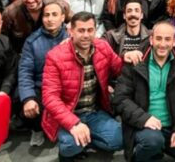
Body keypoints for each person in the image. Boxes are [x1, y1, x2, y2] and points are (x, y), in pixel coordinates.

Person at [113, 21, 175, 162]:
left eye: (167, 39)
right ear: (151, 40)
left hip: (172, 126)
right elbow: (120, 99)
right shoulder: (135, 63)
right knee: (153, 142)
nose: (162, 44)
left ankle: (161, 148)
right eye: (158, 38)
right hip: (144, 126)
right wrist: (144, 119)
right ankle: (142, 154)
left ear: (174, 42)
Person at [42, 11, 123, 161]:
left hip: (94, 111)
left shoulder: (103, 47)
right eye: (81, 30)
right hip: (69, 113)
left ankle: (86, 138)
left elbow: (120, 70)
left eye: (90, 30)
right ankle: (73, 145)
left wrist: (128, 58)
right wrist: (73, 124)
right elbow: (50, 97)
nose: (86, 35)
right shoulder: (55, 56)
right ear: (71, 31)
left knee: (119, 140)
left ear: (95, 30)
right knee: (71, 146)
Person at [18, 0, 69, 147]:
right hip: (43, 86)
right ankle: (37, 129)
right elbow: (25, 71)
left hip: (67, 86)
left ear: (63, 17)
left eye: (54, 14)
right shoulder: (32, 41)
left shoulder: (72, 36)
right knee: (29, 105)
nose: (50, 19)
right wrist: (28, 98)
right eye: (46, 15)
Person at [3, 0, 72, 53]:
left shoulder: (58, 5)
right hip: (22, 55)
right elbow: (3, 39)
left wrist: (71, 28)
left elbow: (76, 20)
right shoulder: (10, 13)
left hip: (56, 53)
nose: (30, 0)